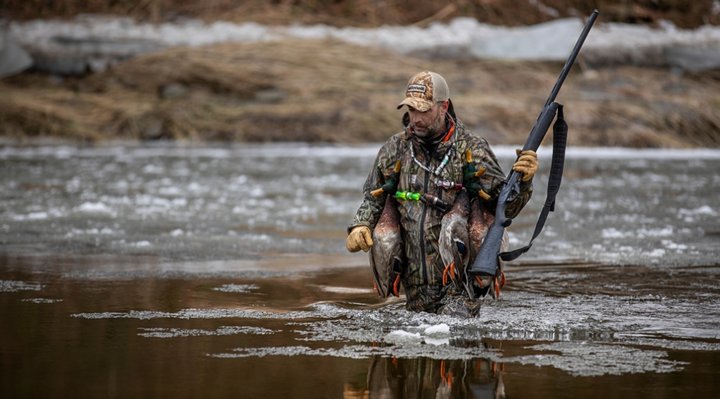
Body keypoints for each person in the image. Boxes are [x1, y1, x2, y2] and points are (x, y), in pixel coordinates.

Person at [346, 71, 537, 314]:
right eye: (411, 110)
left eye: (424, 110)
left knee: (454, 333)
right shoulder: (395, 149)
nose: (415, 118)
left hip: (458, 288)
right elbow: (374, 198)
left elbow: (505, 208)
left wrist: (524, 182)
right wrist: (360, 224)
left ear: (444, 106)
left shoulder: (472, 149)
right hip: (414, 287)